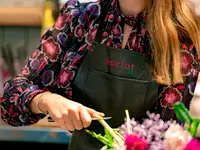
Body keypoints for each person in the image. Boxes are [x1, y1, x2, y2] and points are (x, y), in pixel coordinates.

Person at [1, 0, 200, 149]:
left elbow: (168, 136)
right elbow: (10, 100)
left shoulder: (180, 36)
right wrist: (45, 100)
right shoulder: (81, 17)